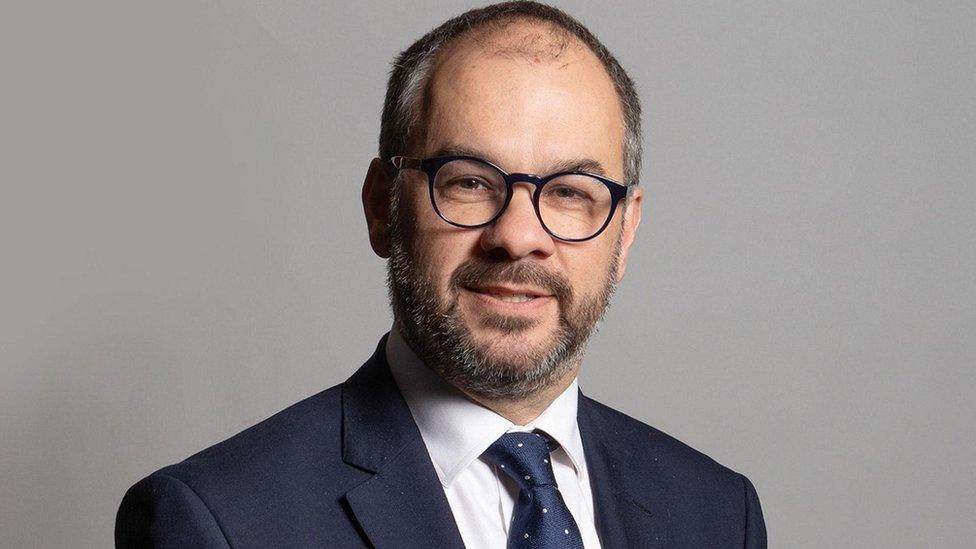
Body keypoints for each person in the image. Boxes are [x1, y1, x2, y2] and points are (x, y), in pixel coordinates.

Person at [115, 2, 766, 547]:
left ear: (624, 232)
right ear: (381, 207)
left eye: (571, 191)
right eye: (469, 182)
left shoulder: (717, 513)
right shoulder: (219, 520)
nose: (518, 235)